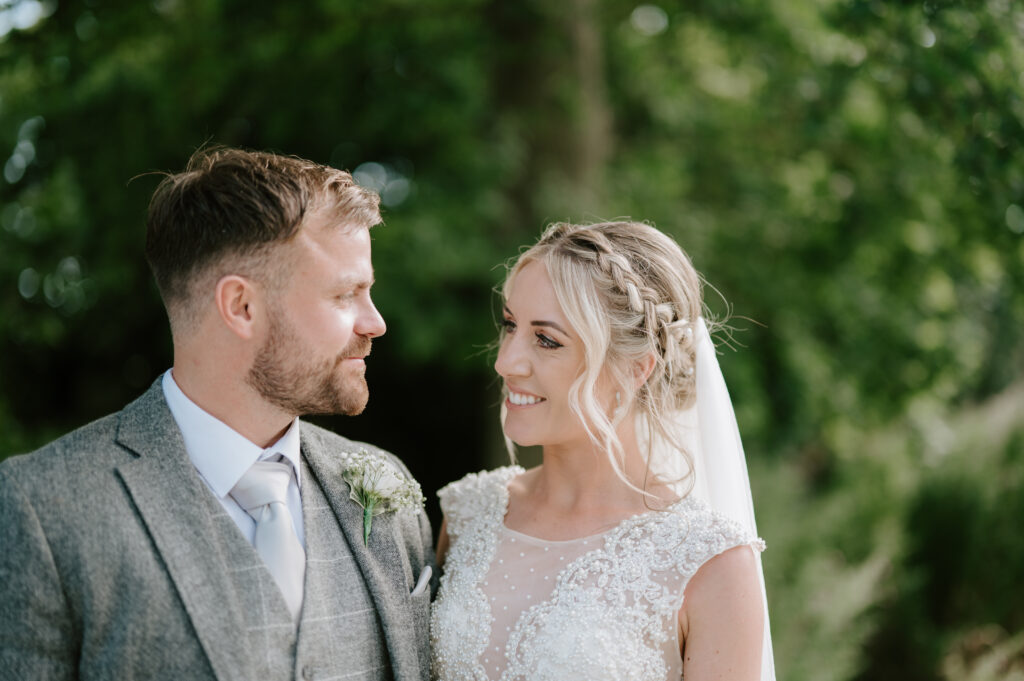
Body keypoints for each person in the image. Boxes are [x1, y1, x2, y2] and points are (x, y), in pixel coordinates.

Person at [0, 148, 435, 681]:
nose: (375, 323)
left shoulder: (388, 490)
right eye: (346, 294)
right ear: (241, 307)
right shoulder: (43, 510)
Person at [430, 221, 775, 681]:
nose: (505, 361)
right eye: (510, 325)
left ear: (635, 369)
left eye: (547, 340)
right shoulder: (469, 513)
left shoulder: (711, 563)